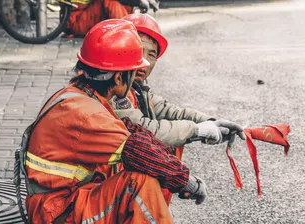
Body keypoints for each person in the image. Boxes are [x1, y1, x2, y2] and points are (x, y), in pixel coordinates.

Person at [21, 19, 207, 224]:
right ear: (118, 78)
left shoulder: (81, 95)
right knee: (140, 182)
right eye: (132, 71)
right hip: (57, 212)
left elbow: (134, 133)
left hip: (62, 200)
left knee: (151, 162)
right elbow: (138, 149)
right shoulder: (88, 114)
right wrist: (186, 182)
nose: (137, 74)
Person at [109, 14, 246, 205]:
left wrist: (211, 122)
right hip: (88, 193)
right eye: (139, 51)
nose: (146, 62)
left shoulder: (135, 88)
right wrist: (198, 131)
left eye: (152, 55)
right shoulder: (114, 91)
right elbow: (147, 129)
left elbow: (169, 111)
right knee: (149, 169)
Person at [64, 0, 157, 37]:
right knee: (111, 2)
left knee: (123, 5)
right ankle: (126, 34)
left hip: (84, 16)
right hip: (75, 20)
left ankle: (128, 32)